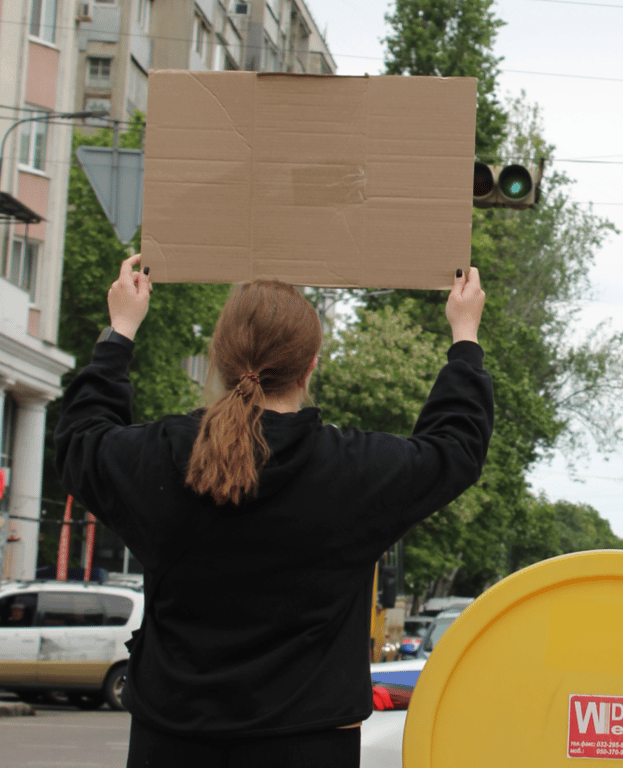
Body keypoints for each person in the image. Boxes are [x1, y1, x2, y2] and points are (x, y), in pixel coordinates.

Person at [54, 255, 494, 768]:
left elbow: (80, 441)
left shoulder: (159, 457)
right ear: (311, 364)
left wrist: (120, 330)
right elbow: (455, 448)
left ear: (217, 360)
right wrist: (464, 338)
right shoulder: (353, 472)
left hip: (170, 742)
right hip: (311, 743)